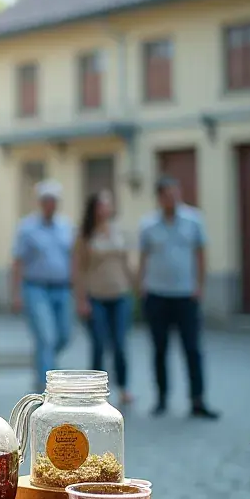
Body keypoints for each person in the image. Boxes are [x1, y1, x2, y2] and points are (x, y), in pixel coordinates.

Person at [138, 175, 218, 419]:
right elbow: (143, 257)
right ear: (159, 198)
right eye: (167, 195)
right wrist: (141, 286)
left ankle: (197, 400)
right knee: (160, 349)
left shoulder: (194, 220)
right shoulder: (148, 224)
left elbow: (200, 254)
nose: (172, 198)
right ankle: (161, 398)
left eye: (175, 193)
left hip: (185, 295)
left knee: (192, 349)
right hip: (157, 294)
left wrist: (200, 286)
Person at [11, 179, 73, 393]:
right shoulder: (27, 228)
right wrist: (16, 294)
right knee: (46, 337)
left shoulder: (66, 227)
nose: (50, 205)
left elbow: (74, 258)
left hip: (62, 288)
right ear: (40, 203)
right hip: (36, 288)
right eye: (46, 200)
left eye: (53, 201)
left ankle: (43, 364)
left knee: (64, 336)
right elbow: (18, 262)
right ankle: (49, 386)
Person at [74, 190, 133, 404]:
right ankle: (96, 389)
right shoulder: (85, 235)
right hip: (96, 296)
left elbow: (127, 263)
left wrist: (135, 285)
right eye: (101, 204)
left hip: (120, 294)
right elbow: (78, 269)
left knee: (119, 343)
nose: (105, 208)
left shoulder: (119, 231)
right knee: (99, 343)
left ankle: (124, 387)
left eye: (108, 204)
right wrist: (81, 300)